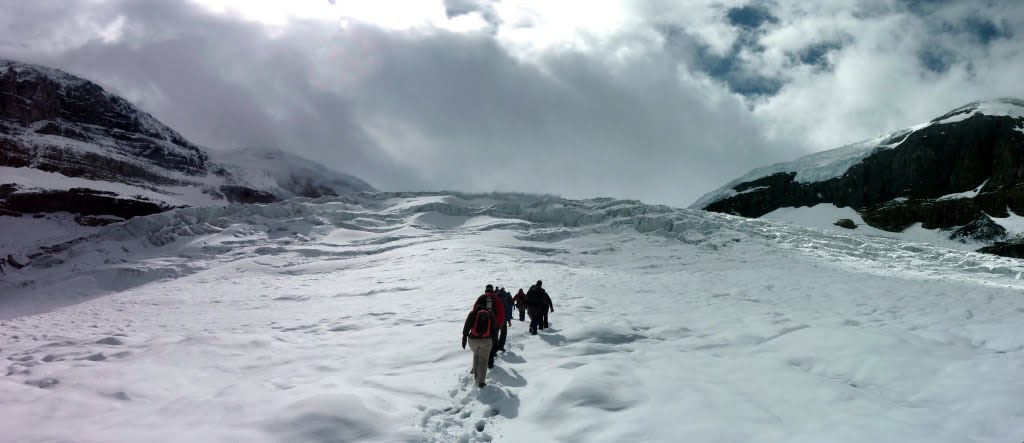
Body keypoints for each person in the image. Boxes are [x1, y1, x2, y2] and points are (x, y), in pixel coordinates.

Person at [462, 293, 499, 388]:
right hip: (486, 341)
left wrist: (464, 339)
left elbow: (466, 326)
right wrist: (495, 343)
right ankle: (481, 382)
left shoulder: (473, 313)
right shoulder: (490, 314)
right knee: (483, 360)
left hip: (472, 340)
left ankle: (475, 373)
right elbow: (495, 329)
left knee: (476, 354)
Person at [473, 285, 506, 368]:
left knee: (481, 344)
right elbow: (501, 313)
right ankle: (490, 364)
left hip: (481, 326)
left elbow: (474, 311)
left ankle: (478, 364)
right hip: (492, 326)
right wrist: (498, 325)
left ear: (485, 290)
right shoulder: (495, 299)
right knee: (491, 344)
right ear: (492, 291)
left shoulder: (481, 298)